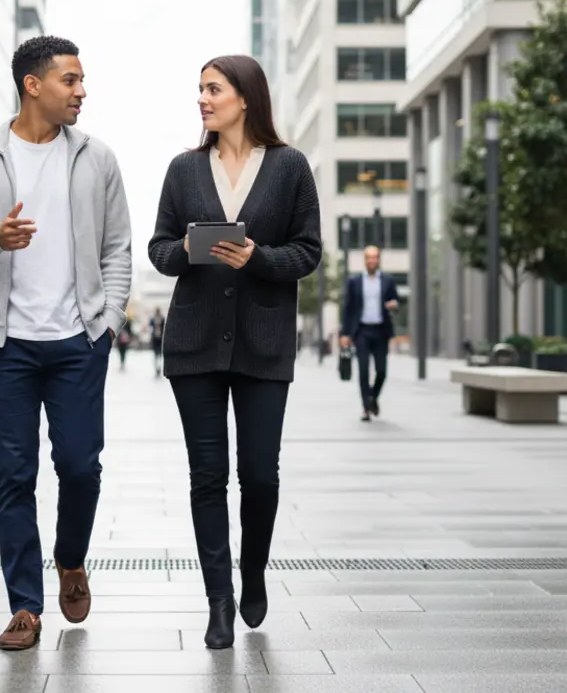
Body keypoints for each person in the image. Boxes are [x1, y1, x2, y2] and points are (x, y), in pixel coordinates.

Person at [0, 35, 132, 651]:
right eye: (70, 80)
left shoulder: (97, 158)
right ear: (33, 84)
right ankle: (25, 605)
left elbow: (118, 246)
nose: (81, 91)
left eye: (80, 81)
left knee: (80, 466)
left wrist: (111, 321)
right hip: (6, 346)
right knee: (13, 476)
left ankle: (70, 558)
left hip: (79, 340)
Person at [147, 55, 321, 649]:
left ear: (244, 97)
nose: (202, 98)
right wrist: (195, 250)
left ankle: (253, 572)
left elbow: (308, 251)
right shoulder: (184, 169)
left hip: (265, 344)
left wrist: (260, 259)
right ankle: (218, 600)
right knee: (207, 477)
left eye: (212, 88)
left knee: (260, 476)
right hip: (194, 344)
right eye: (199, 89)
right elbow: (159, 249)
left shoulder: (290, 166)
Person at [341, 245, 400, 421]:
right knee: (364, 371)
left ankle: (373, 397)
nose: (372, 260)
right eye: (369, 257)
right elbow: (348, 309)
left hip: (381, 331)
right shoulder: (355, 281)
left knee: (382, 371)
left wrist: (394, 305)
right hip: (362, 331)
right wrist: (345, 334)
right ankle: (366, 408)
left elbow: (396, 301)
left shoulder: (388, 280)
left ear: (379, 259)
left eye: (375, 257)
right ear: (365, 260)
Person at [148, 307, 166, 377]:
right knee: (155, 354)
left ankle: (159, 367)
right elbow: (150, 328)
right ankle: (156, 368)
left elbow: (164, 328)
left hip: (161, 339)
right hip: (155, 339)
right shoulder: (152, 319)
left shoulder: (162, 319)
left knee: (160, 354)